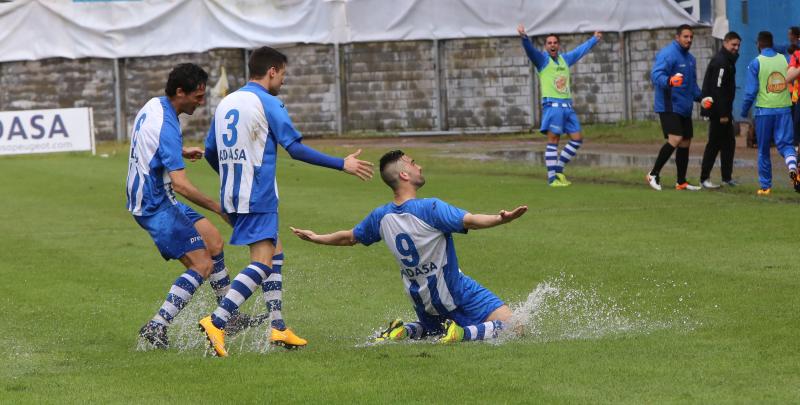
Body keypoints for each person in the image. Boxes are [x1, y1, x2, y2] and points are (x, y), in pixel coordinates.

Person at [199, 46, 374, 357]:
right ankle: (218, 321)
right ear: (272, 72)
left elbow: (210, 151)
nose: (283, 81)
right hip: (258, 195)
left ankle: (278, 326)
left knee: (275, 250)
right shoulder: (269, 102)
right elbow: (295, 148)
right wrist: (341, 164)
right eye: (283, 75)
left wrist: (231, 175)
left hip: (232, 195)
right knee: (262, 263)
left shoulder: (226, 102)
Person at [290, 150, 528, 344]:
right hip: (455, 292)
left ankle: (407, 331)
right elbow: (471, 221)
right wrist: (501, 219)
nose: (419, 167)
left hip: (422, 302)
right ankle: (462, 333)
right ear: (404, 174)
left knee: (435, 330)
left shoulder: (380, 217)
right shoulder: (430, 208)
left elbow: (349, 237)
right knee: (516, 326)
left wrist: (318, 237)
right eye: (413, 163)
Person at [127, 63, 250, 349]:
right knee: (202, 264)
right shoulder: (167, 126)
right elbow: (182, 185)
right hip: (154, 205)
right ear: (180, 92)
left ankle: (228, 317)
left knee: (214, 242)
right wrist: (219, 207)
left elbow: (146, 140)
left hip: (158, 196)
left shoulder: (154, 106)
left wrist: (179, 151)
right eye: (197, 96)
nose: (202, 101)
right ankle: (158, 325)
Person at [517, 25, 602, 187]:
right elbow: (530, 51)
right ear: (545, 46)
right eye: (549, 43)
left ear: (559, 45)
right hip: (553, 106)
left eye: (555, 42)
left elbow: (579, 51)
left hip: (567, 107)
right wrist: (524, 38)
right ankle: (552, 179)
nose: (552, 45)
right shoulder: (542, 61)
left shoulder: (565, 59)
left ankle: (558, 170)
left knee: (577, 139)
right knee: (553, 140)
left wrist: (594, 39)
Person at [646, 25, 711, 191]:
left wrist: (702, 99)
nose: (689, 40)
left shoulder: (690, 59)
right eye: (685, 37)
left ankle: (681, 181)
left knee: (685, 142)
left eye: (691, 37)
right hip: (669, 105)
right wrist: (669, 81)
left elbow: (692, 86)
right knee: (675, 138)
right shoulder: (668, 54)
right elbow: (656, 75)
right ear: (677, 37)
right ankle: (653, 174)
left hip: (684, 107)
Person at [740, 31, 800, 195]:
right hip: (784, 109)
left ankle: (765, 186)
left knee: (764, 149)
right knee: (786, 145)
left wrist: (744, 111)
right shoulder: (785, 59)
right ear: (772, 43)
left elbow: (751, 92)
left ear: (759, 44)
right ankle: (793, 168)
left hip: (764, 111)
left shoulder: (756, 62)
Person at [698, 32, 742, 188]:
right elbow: (717, 89)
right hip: (718, 112)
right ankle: (704, 179)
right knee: (714, 144)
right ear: (725, 42)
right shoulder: (721, 62)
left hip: (724, 111)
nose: (736, 48)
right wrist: (723, 114)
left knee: (729, 143)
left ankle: (726, 178)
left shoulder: (728, 61)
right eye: (733, 45)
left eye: (738, 45)